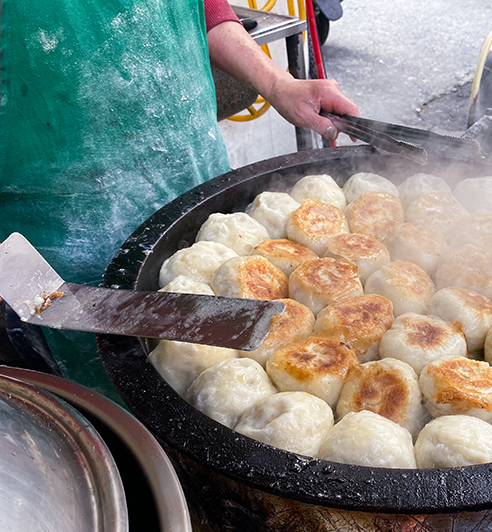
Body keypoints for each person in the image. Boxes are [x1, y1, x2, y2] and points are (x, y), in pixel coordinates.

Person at [0, 0, 359, 396]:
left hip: (205, 207)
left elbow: (197, 8)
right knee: (118, 421)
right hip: (71, 268)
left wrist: (278, 84)